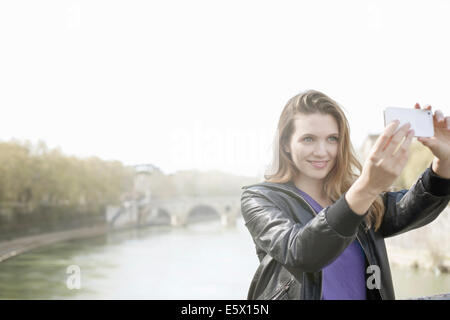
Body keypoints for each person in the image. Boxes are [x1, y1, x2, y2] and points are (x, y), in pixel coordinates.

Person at [240, 90, 450, 300]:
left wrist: (445, 161)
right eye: (308, 139)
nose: (322, 151)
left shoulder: (352, 195)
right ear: (285, 144)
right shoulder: (260, 199)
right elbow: (299, 252)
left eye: (332, 139)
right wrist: (366, 188)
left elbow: (409, 208)